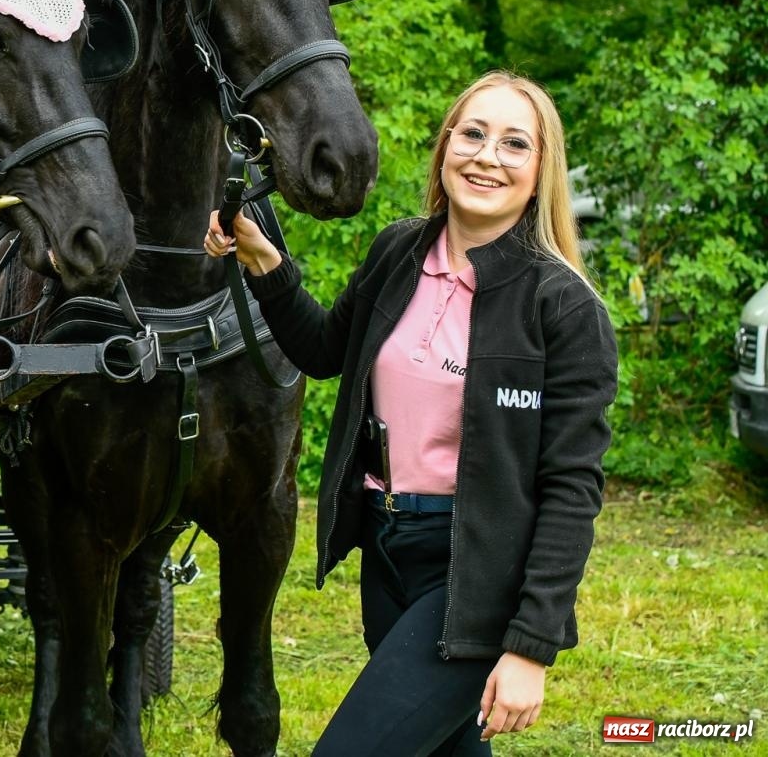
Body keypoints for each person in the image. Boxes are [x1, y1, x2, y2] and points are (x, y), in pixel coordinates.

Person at [206, 71, 617, 756]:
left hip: (476, 572)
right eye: (474, 134)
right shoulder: (399, 251)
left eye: (516, 144)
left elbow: (571, 486)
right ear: (445, 145)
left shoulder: (563, 308)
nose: (488, 156)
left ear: (542, 170)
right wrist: (262, 260)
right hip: (389, 551)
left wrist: (532, 648)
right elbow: (322, 349)